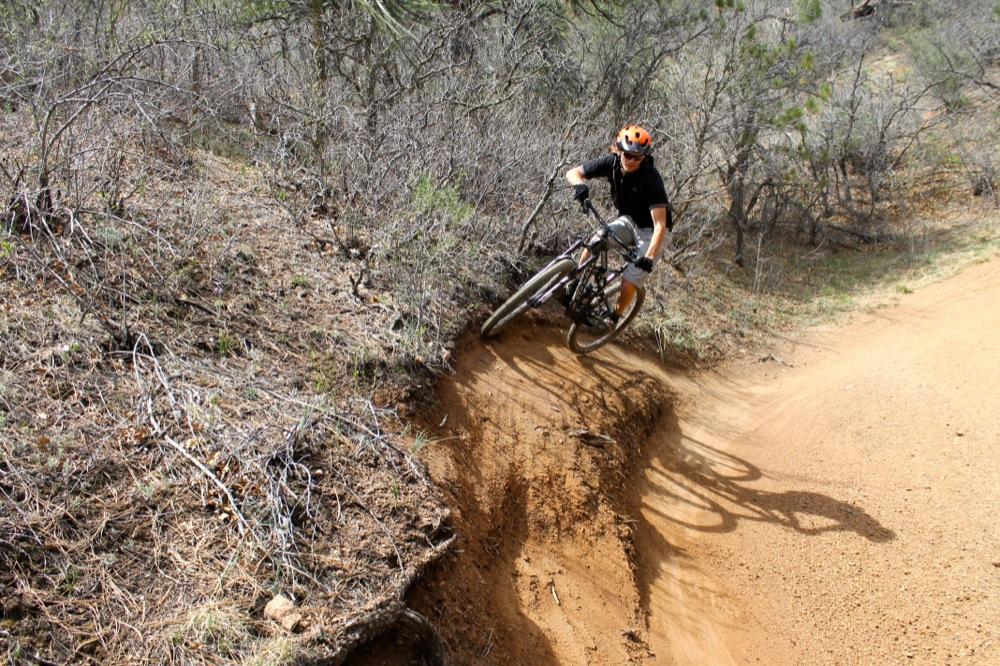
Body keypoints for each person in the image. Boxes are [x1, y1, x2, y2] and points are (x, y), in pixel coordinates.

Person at [564, 124, 672, 329]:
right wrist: (580, 186)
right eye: (627, 155)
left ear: (644, 157)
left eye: (637, 157)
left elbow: (660, 223)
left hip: (652, 230)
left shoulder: (651, 178)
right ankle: (577, 286)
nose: (631, 161)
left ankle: (613, 318)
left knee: (629, 279)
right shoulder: (610, 163)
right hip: (630, 220)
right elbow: (573, 173)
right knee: (596, 240)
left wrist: (648, 257)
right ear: (619, 150)